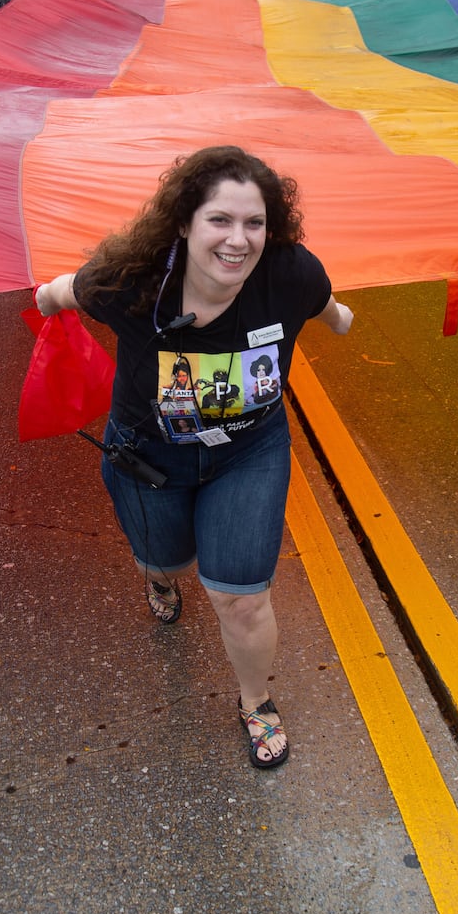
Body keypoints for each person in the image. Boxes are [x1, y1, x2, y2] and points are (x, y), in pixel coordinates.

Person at [34, 147, 353, 769]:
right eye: (220, 221)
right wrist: (46, 306)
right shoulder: (129, 283)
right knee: (168, 560)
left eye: (254, 223)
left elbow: (326, 305)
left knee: (240, 596)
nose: (238, 241)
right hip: (148, 457)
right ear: (184, 222)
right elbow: (59, 292)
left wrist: (341, 319)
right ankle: (156, 576)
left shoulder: (291, 274)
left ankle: (255, 701)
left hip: (251, 452)